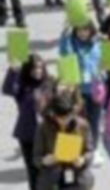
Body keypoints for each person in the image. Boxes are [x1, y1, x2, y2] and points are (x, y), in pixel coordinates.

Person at [3, 54, 51, 190]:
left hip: (47, 135)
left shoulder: (49, 84)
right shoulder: (23, 86)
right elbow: (8, 89)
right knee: (33, 171)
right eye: (34, 68)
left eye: (41, 68)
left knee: (51, 172)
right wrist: (12, 71)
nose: (38, 71)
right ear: (28, 70)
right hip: (28, 135)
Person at [59, 22, 103, 161]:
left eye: (85, 30)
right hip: (77, 91)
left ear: (91, 30)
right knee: (74, 121)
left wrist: (101, 75)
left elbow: (107, 64)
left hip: (95, 90)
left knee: (94, 122)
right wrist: (64, 35)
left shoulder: (98, 44)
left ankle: (93, 150)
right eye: (79, 30)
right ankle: (71, 152)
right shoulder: (71, 44)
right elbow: (64, 53)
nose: (82, 33)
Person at [33, 93, 95, 190]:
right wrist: (44, 161)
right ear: (53, 114)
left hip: (78, 177)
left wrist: (83, 160)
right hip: (52, 179)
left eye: (67, 117)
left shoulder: (83, 125)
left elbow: (90, 151)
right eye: (60, 118)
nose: (64, 121)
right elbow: (36, 158)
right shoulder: (43, 127)